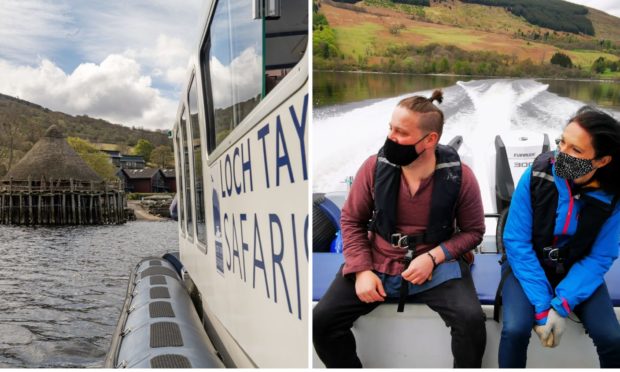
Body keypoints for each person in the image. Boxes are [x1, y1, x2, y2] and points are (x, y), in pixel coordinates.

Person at [313, 90, 487, 368]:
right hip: (377, 261)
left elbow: (474, 231)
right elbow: (352, 221)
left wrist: (433, 257)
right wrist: (361, 270)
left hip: (437, 267)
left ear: (430, 139)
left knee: (471, 322)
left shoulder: (461, 176)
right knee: (323, 321)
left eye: (401, 133)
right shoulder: (373, 167)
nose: (391, 138)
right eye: (390, 129)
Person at [499, 106, 620, 368]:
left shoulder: (612, 197)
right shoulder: (536, 174)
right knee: (515, 330)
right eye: (561, 142)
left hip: (578, 268)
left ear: (602, 160)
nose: (560, 155)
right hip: (526, 265)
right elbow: (516, 242)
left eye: (576, 150)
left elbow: (600, 256)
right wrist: (543, 307)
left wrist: (562, 303)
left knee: (612, 337)